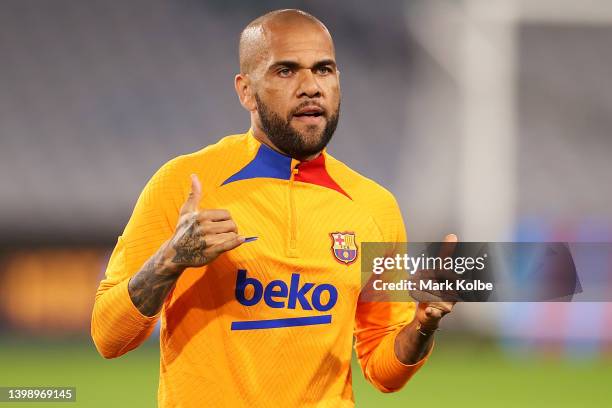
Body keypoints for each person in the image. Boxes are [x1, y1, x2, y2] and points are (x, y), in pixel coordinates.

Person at [91, 9, 456, 407]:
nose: (311, 87)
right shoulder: (183, 182)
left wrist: (422, 325)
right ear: (246, 90)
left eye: (324, 70)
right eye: (286, 71)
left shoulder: (375, 207)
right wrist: (169, 260)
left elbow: (384, 371)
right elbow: (109, 338)